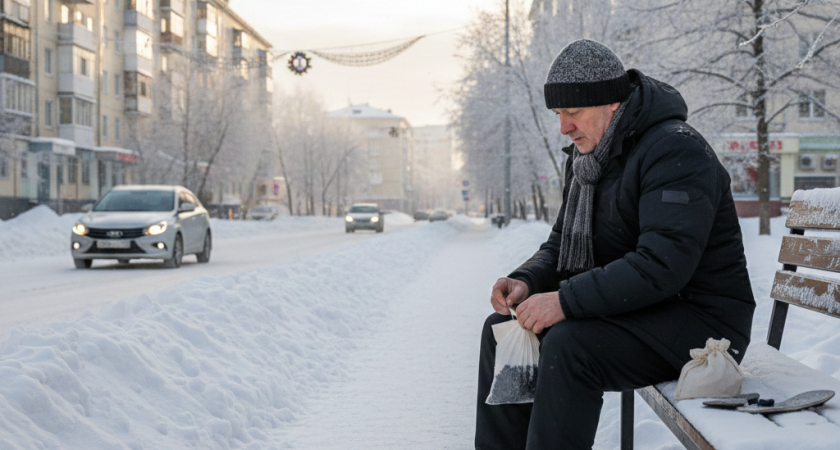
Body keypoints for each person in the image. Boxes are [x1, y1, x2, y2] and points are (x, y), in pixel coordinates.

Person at [474, 39, 755, 450]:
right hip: (643, 311)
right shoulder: (587, 159)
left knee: (571, 345)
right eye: (557, 114)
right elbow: (560, 244)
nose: (563, 128)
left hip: (702, 325)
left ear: (611, 103)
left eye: (573, 112)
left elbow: (662, 264)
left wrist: (564, 301)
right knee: (502, 329)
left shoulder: (675, 149)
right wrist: (528, 282)